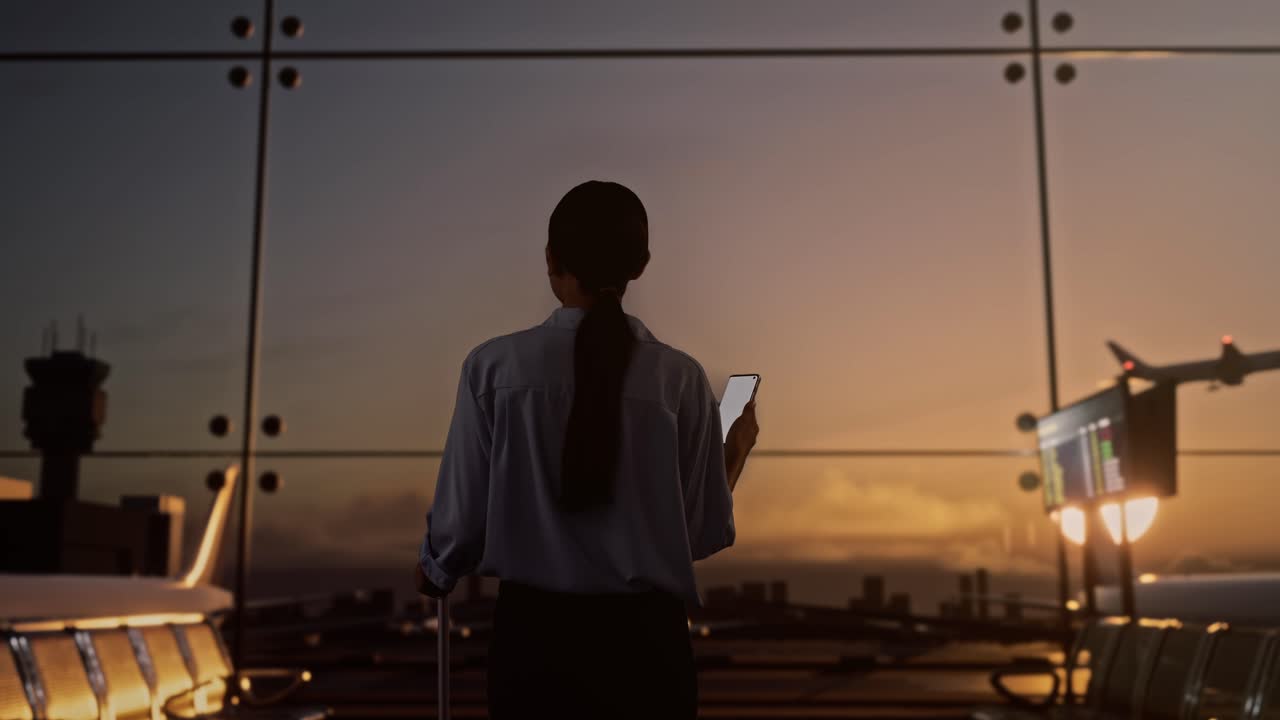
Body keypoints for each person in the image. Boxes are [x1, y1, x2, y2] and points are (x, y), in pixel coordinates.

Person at [414, 180, 759, 719]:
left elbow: (458, 530)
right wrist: (734, 450)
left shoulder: (493, 369)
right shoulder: (681, 380)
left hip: (534, 649)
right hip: (649, 655)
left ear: (551, 259)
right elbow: (699, 531)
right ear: (640, 265)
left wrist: (435, 571)